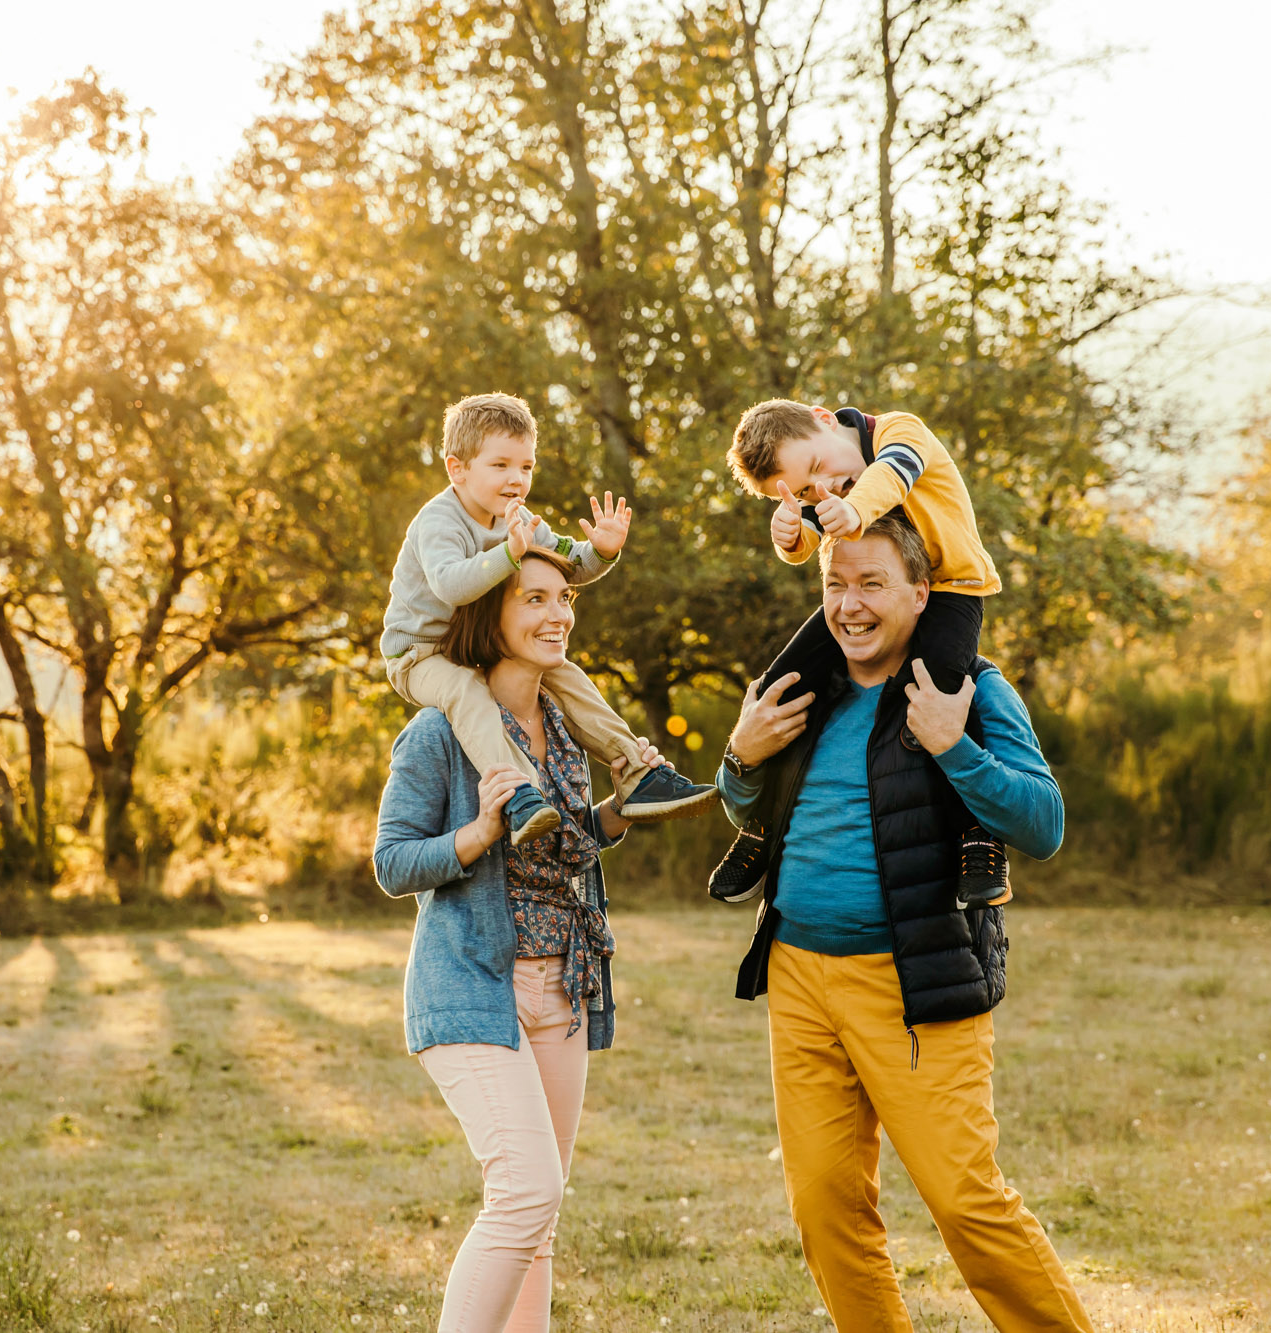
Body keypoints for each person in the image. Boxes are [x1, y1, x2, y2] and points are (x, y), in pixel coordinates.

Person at [711, 514, 1094, 1333]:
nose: (849, 606)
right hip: (800, 978)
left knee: (966, 1204)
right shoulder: (807, 690)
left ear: (922, 592)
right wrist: (740, 758)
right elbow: (755, 809)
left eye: (871, 584)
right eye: (834, 585)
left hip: (916, 980)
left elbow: (1045, 823)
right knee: (825, 1209)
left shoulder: (973, 688)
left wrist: (957, 748)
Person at [374, 546, 659, 1333]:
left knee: (542, 1216)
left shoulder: (566, 724)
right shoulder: (438, 732)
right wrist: (477, 832)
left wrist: (621, 814)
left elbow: (569, 845)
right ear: (487, 615)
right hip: (473, 988)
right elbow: (393, 860)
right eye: (533, 599)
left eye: (563, 596)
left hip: (563, 987)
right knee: (526, 1190)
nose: (557, 613)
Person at [381, 391, 716, 845]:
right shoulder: (440, 522)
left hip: (476, 646)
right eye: (500, 465)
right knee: (466, 692)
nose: (516, 479)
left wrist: (602, 549)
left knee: (566, 674)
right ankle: (518, 793)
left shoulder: (520, 521)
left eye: (526, 467)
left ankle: (637, 775)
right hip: (419, 654)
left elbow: (568, 562)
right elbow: (449, 585)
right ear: (457, 469)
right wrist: (508, 553)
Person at [720, 399, 1008, 906]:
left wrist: (849, 511)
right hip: (870, 596)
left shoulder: (900, 433)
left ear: (826, 419)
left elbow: (891, 479)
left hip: (951, 586)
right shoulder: (831, 487)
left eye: (816, 470)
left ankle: (979, 837)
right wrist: (792, 535)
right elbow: (813, 532)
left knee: (943, 688)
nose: (822, 489)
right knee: (781, 686)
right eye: (804, 490)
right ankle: (762, 825)